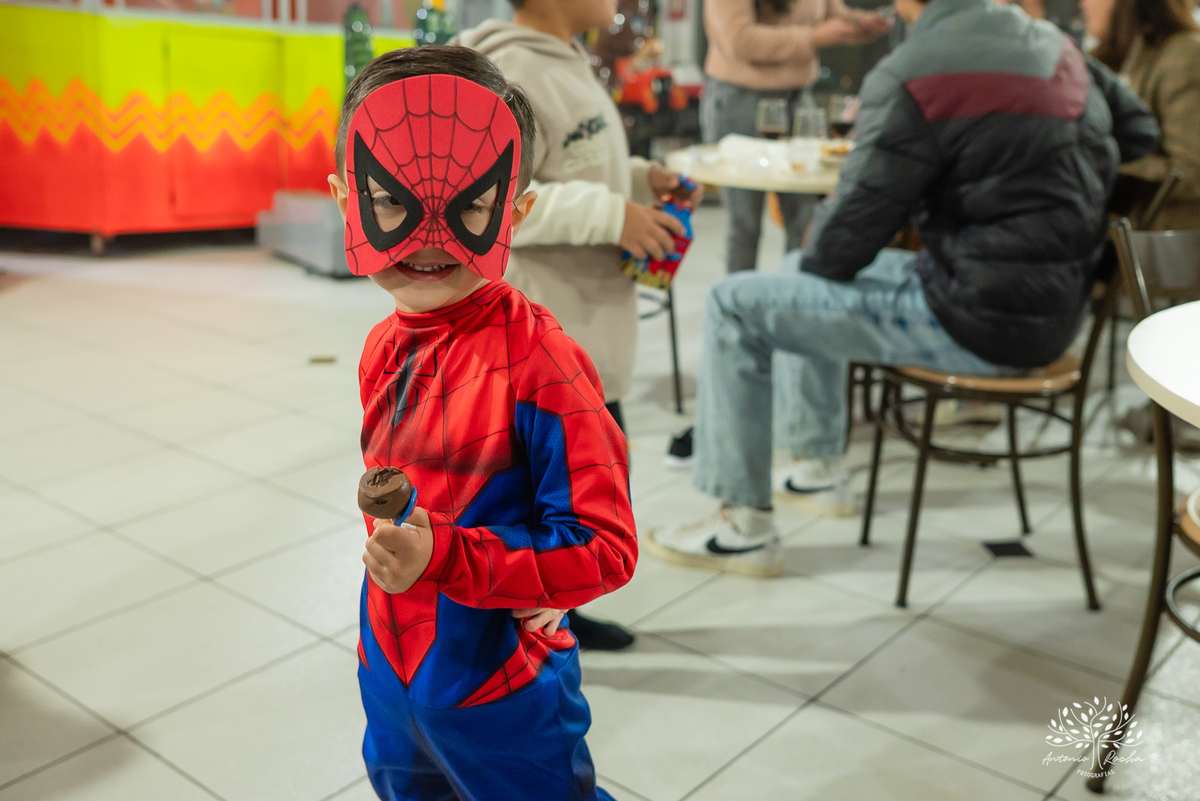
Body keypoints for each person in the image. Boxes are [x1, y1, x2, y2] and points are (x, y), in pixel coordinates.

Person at [645, 0, 1158, 575]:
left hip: (977, 319)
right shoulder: (1056, 46)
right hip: (1054, 308)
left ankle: (741, 528)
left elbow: (841, 245)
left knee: (734, 302)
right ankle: (816, 470)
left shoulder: (915, 69)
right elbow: (1140, 132)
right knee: (794, 268)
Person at [326, 46, 636, 799]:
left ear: (516, 212)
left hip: (503, 684)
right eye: (391, 203)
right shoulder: (380, 346)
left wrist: (455, 560)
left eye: (470, 206)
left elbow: (607, 547)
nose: (429, 238)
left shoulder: (543, 364)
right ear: (346, 200)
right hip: (391, 669)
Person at [455, 0, 700, 650]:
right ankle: (539, 617)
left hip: (593, 318)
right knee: (553, 485)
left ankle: (566, 600)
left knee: (589, 476)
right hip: (549, 332)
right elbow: (492, 202)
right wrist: (611, 215)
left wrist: (643, 180)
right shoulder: (504, 70)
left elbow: (576, 166)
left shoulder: (569, 59)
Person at [702, 0, 890, 274]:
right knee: (745, 225)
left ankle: (792, 304)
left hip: (798, 99)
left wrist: (862, 23)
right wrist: (813, 37)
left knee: (804, 219)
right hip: (741, 99)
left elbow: (832, 13)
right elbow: (740, 41)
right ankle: (738, 312)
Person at [1084, 0, 1200, 228]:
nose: (1083, 4)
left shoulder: (1184, 55)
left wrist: (1104, 162)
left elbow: (1192, 172)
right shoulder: (1113, 55)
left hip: (1169, 248)